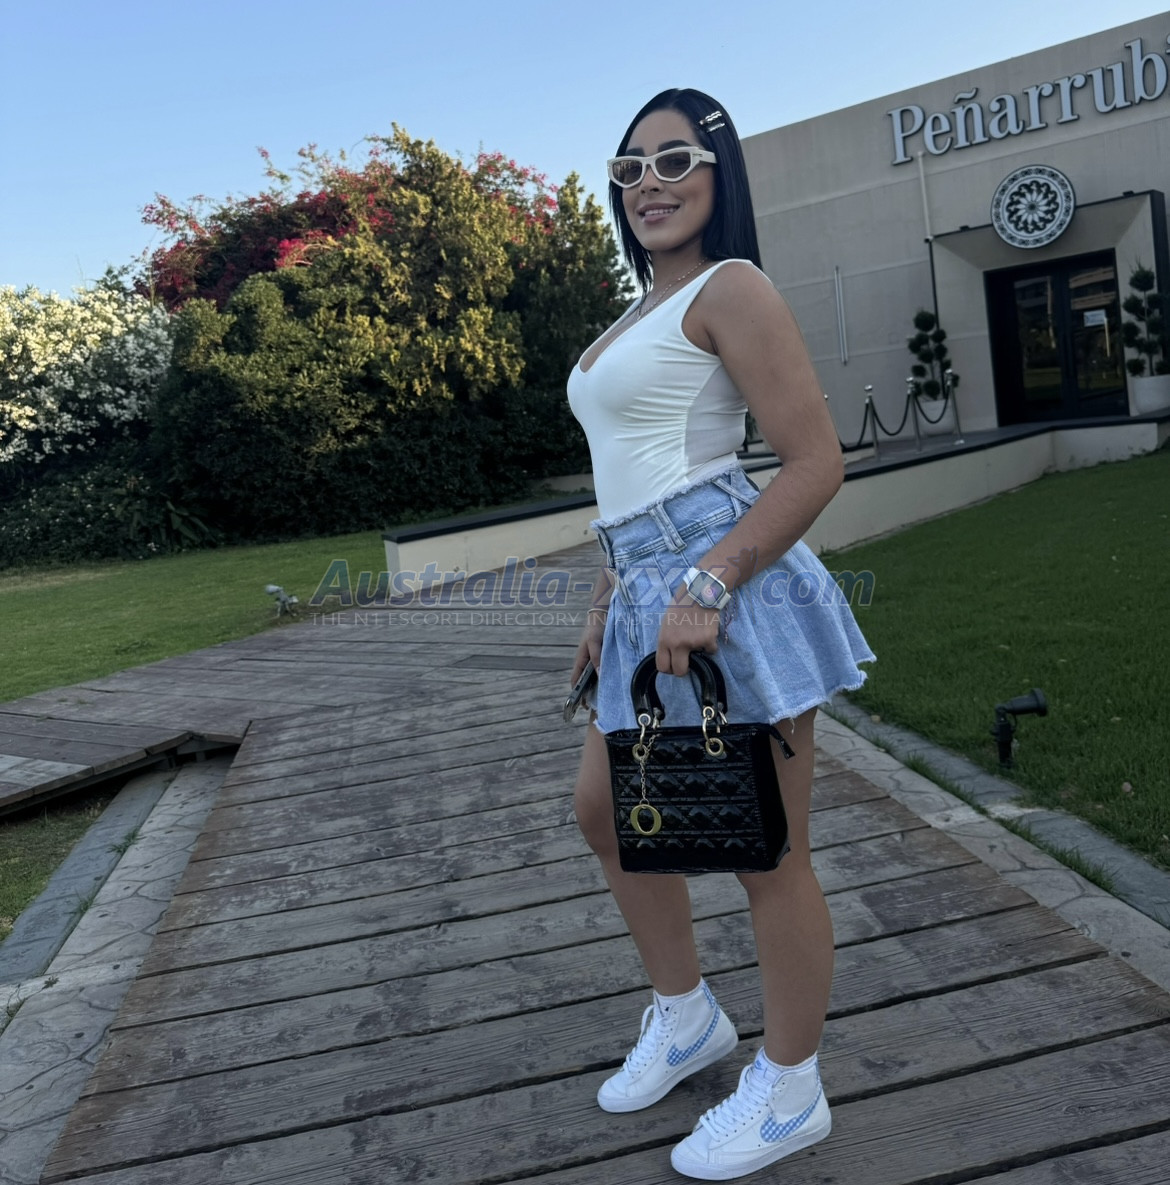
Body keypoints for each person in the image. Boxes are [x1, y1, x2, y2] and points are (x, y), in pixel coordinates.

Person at [566, 88, 875, 1180]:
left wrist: (707, 582)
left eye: (674, 160)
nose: (649, 184)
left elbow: (815, 461)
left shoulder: (731, 286)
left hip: (721, 578)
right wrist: (608, 598)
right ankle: (688, 1013)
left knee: (765, 850)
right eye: (630, 167)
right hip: (639, 585)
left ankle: (791, 1089)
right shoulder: (635, 312)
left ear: (719, 171)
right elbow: (628, 475)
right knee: (603, 810)